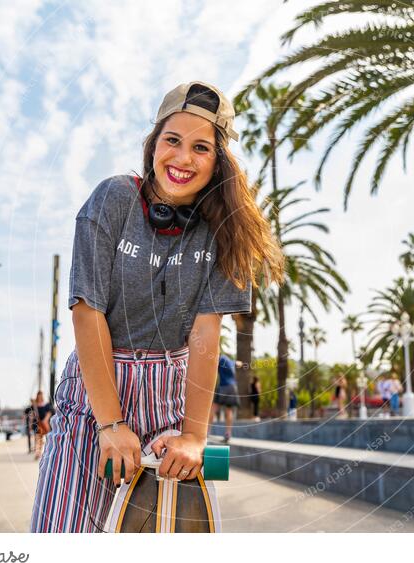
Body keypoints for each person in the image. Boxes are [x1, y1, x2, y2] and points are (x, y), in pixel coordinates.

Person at [30, 81, 285, 533]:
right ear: (153, 146)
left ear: (218, 161)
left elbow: (206, 334)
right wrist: (110, 424)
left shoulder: (222, 231)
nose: (183, 158)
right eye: (172, 140)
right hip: (95, 394)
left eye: (201, 147)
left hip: (172, 396)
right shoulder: (112, 200)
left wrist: (193, 436)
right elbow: (87, 312)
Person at [212, 353, 239, 443]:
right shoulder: (228, 360)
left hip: (224, 387)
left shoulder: (219, 359)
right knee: (229, 410)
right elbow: (238, 363)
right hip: (233, 387)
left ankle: (206, 432)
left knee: (214, 408)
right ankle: (228, 433)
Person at [33, 391, 54, 460]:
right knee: (38, 439)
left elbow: (50, 412)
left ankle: (47, 452)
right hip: (37, 423)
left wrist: (45, 420)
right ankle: (37, 453)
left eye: (41, 395)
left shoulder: (46, 404)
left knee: (47, 438)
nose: (40, 397)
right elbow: (30, 413)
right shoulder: (34, 405)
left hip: (45, 424)